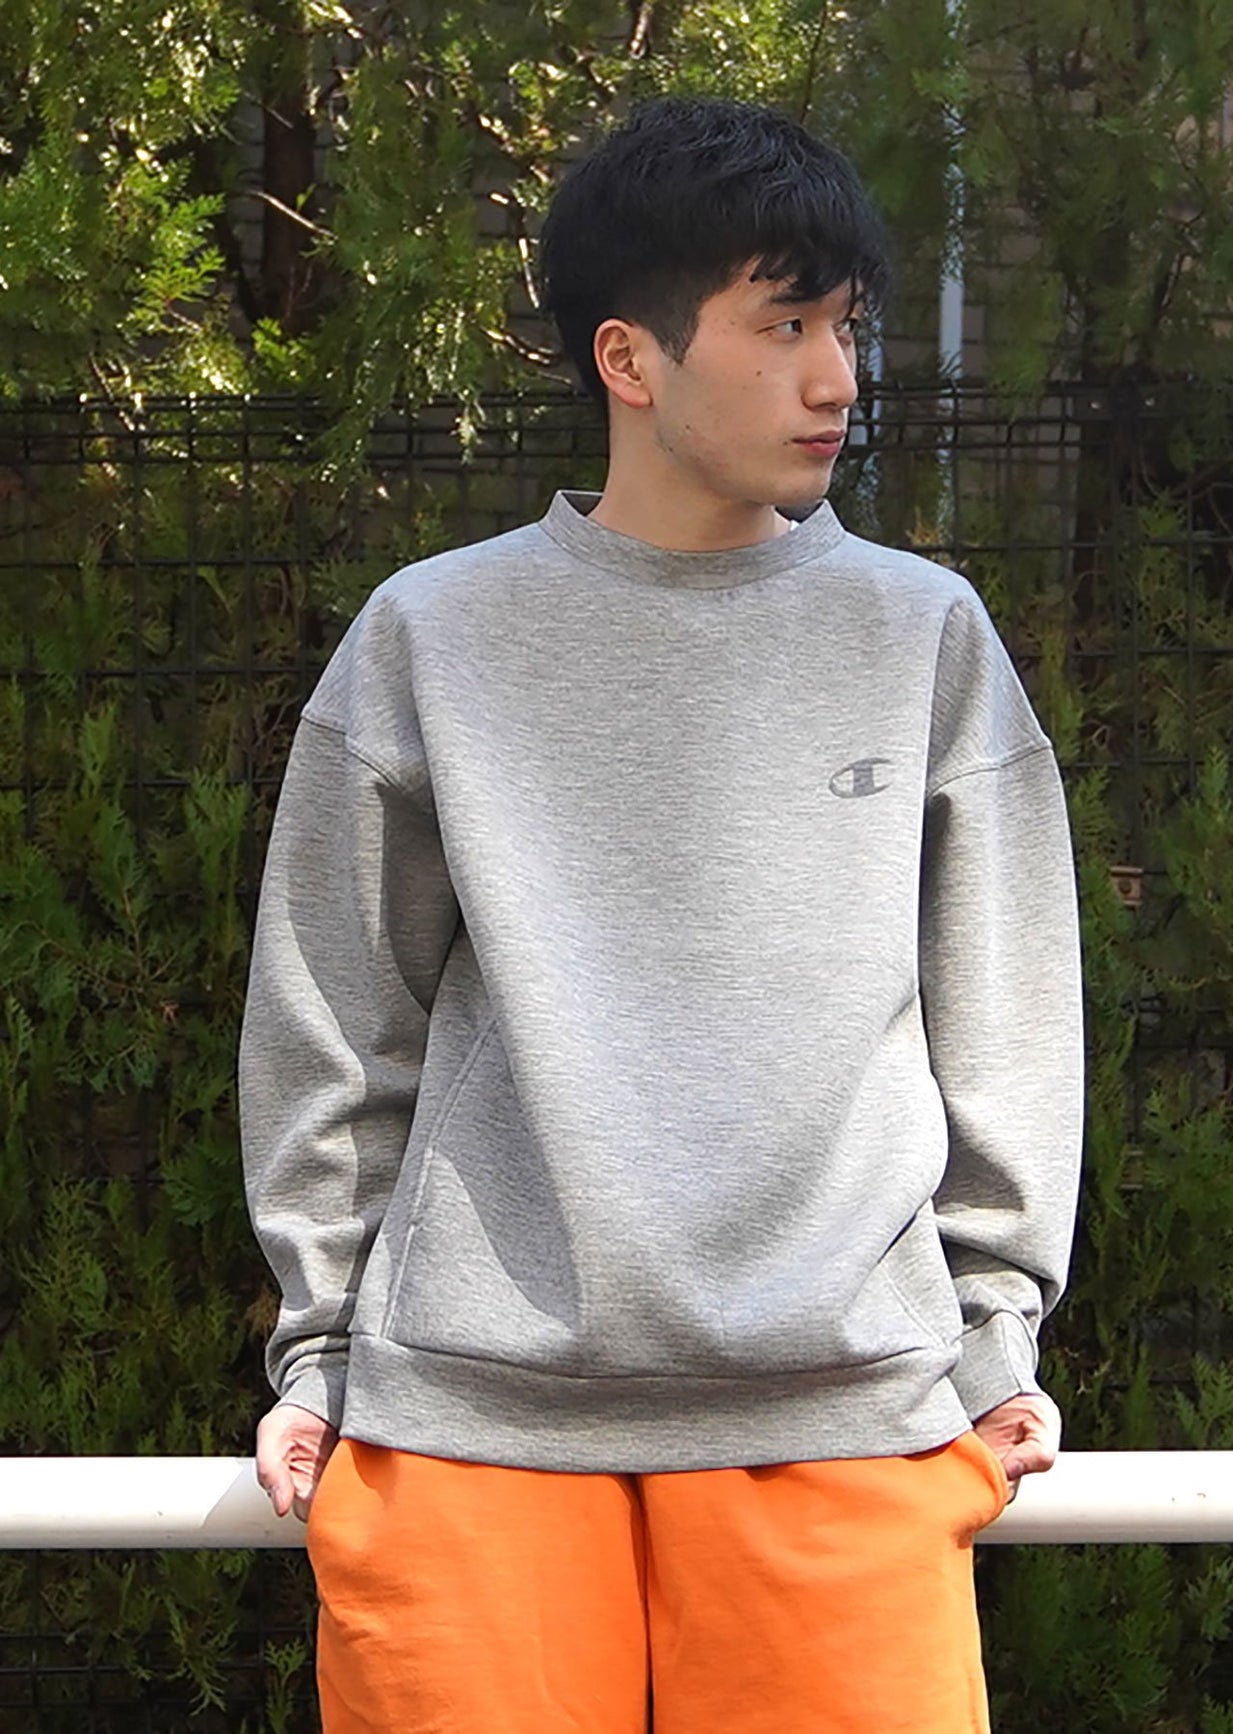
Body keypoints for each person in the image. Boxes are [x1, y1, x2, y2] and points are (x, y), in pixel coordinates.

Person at [239, 93, 1084, 1734]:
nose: (836, 379)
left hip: (850, 1417)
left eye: (847, 326)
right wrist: (321, 1344)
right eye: (783, 327)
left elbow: (1005, 1018)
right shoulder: (432, 637)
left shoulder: (921, 635)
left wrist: (991, 1333)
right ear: (629, 360)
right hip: (465, 1429)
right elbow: (335, 1017)